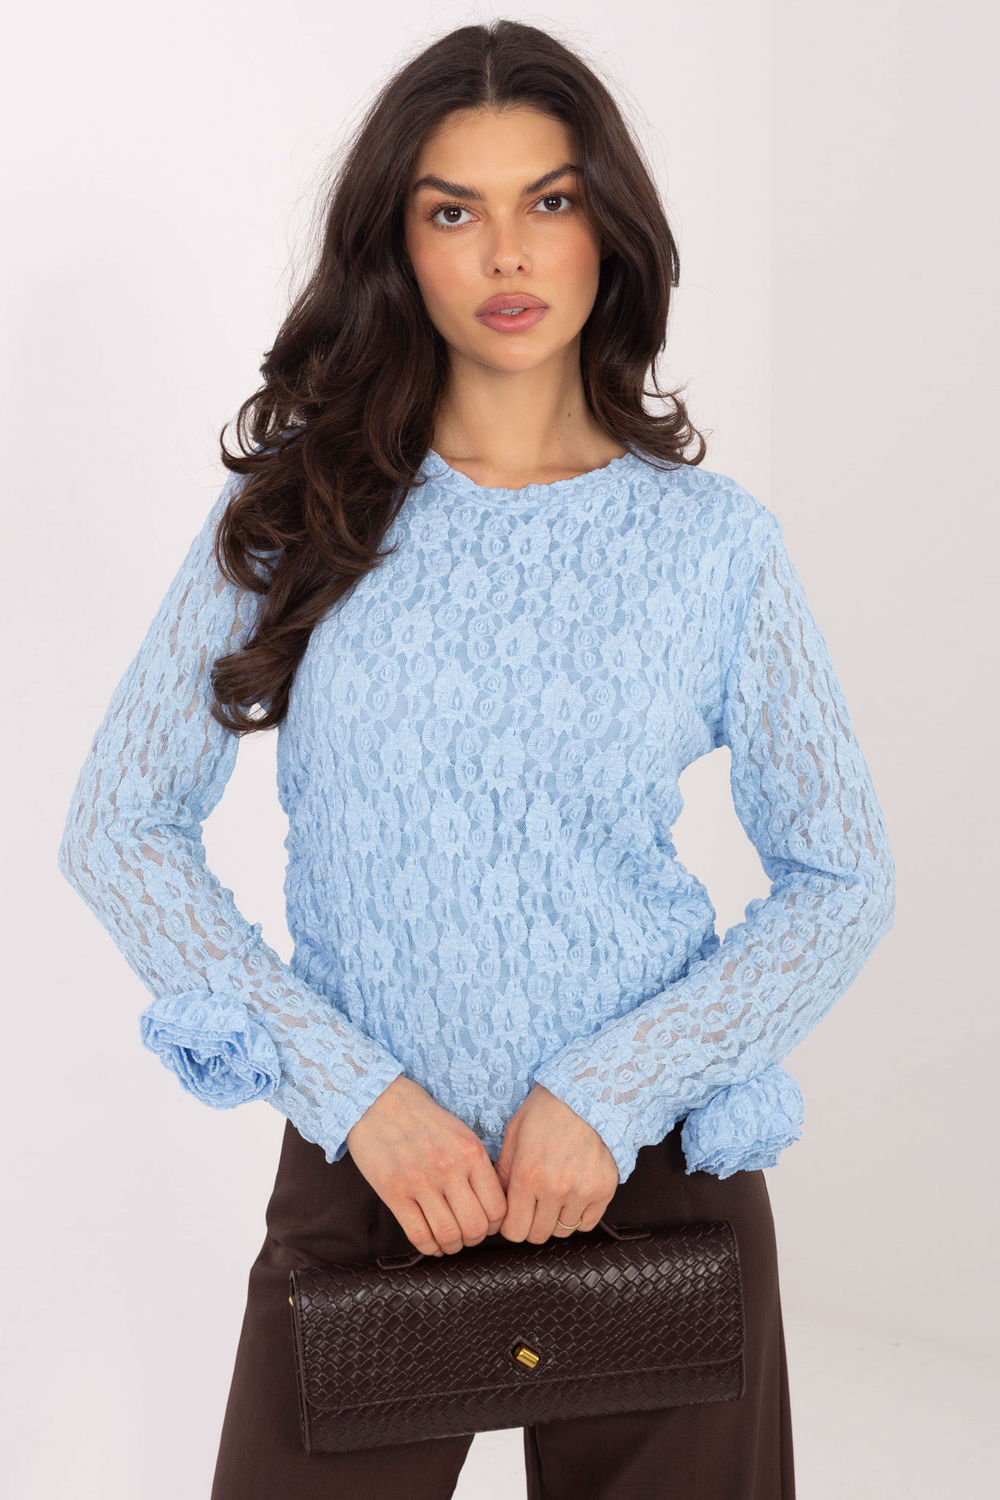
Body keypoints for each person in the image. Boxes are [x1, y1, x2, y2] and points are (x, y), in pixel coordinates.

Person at [57, 19, 895, 1499]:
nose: (507, 253)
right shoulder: (298, 516)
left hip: (650, 1179)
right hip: (372, 1170)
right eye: (454, 211)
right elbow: (120, 825)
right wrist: (356, 1094)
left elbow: (843, 877)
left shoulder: (712, 549)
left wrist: (614, 1091)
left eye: (548, 201)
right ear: (399, 245)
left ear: (608, 230)